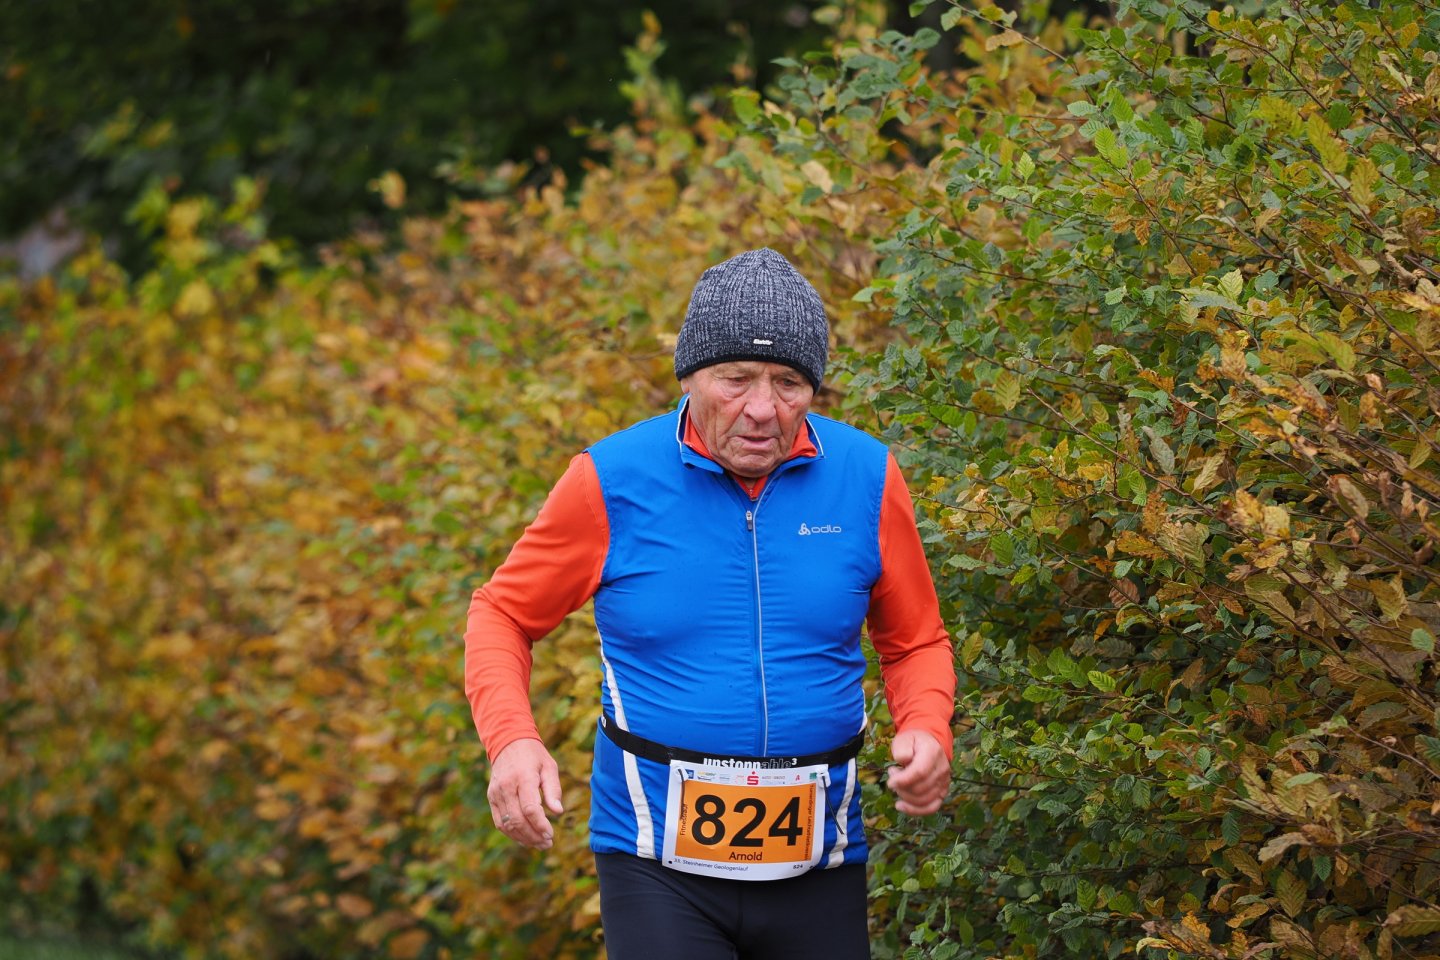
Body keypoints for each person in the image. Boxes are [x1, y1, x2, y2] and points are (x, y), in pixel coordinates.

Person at [464, 248, 956, 959]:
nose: (762, 409)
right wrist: (512, 740)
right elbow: (503, 614)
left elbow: (915, 642)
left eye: (788, 383)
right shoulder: (610, 479)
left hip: (820, 859)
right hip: (654, 863)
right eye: (736, 378)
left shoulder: (868, 476)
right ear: (690, 377)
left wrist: (928, 727)